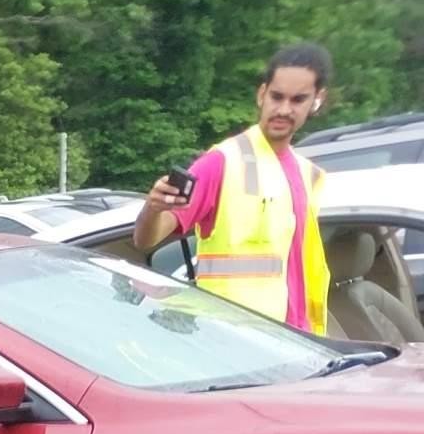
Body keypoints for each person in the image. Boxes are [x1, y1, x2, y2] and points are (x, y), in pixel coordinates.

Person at [134, 42, 333, 332]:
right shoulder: (222, 161)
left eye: (298, 100)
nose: (284, 109)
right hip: (233, 341)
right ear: (261, 94)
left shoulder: (309, 174)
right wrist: (153, 209)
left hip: (295, 338)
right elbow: (145, 240)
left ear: (317, 100)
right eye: (276, 97)